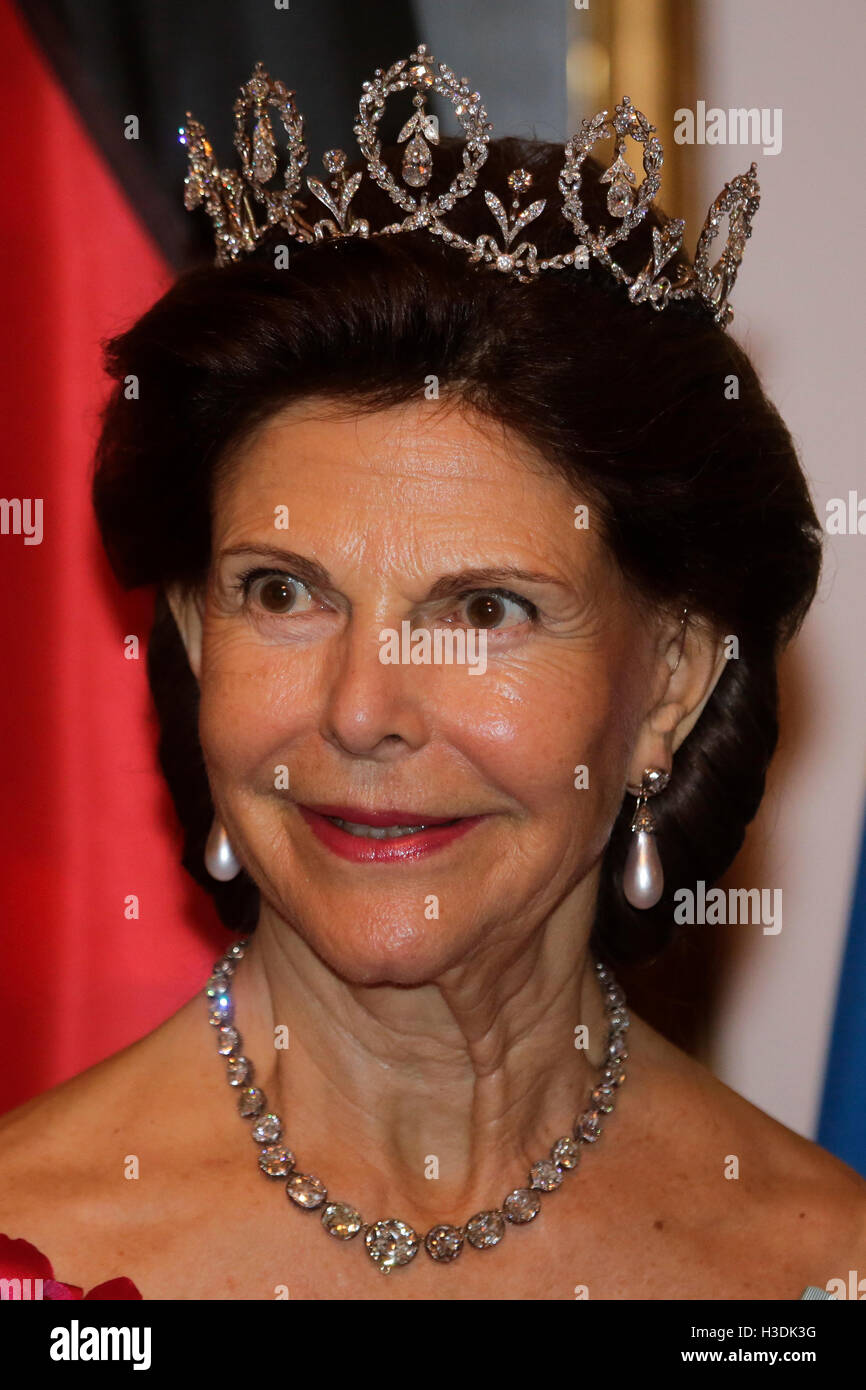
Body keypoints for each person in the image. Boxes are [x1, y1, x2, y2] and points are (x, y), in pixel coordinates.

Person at [1, 52, 863, 1300]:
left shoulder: (819, 1274)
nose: (360, 711)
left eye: (482, 609)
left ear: (670, 682)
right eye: (282, 593)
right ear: (193, 635)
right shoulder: (29, 1257)